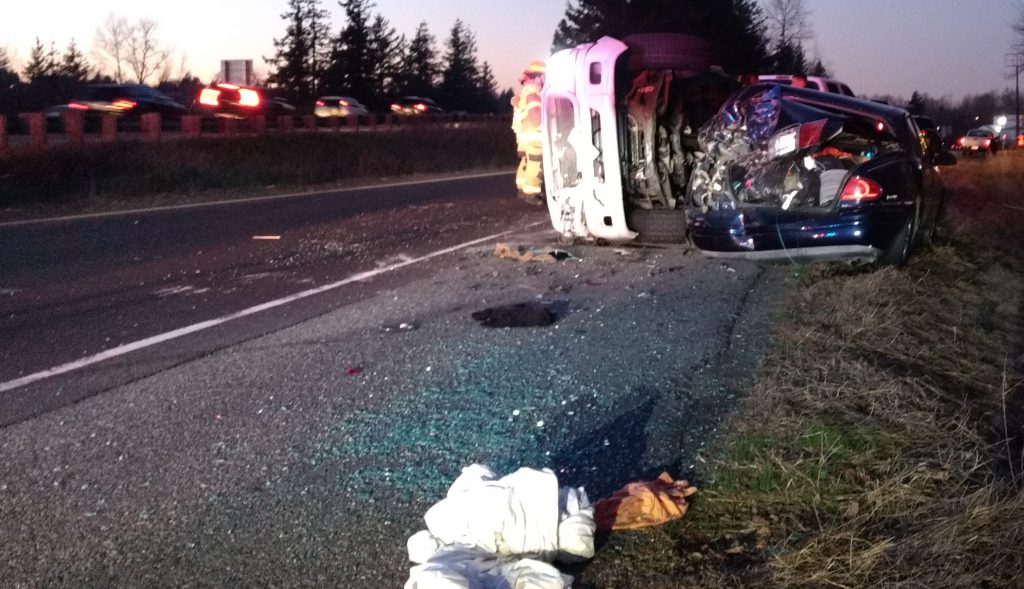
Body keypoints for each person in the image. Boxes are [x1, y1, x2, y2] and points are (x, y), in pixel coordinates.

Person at [511, 60, 546, 204]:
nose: (545, 80)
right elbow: (535, 114)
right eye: (544, 76)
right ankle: (532, 194)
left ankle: (521, 188)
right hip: (533, 134)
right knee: (535, 163)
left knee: (525, 161)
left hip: (523, 135)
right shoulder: (533, 92)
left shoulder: (523, 93)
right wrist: (543, 124)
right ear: (537, 77)